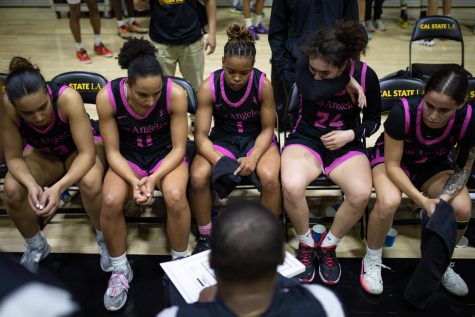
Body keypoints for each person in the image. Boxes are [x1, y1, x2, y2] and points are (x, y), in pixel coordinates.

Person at [281, 20, 381, 284]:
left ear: (344, 62)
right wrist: (345, 80)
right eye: (313, 69)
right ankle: (305, 243)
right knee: (291, 186)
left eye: (325, 73)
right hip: (307, 137)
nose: (315, 75)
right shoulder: (306, 64)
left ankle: (328, 246)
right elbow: (312, 92)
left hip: (346, 142)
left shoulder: (367, 76)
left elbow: (373, 121)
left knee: (360, 194)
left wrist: (351, 134)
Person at [96, 38, 191, 311]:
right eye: (142, 95)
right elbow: (112, 152)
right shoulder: (107, 97)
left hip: (165, 156)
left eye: (156, 93)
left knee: (174, 195)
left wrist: (154, 177)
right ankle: (119, 269)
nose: (151, 101)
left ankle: (178, 262)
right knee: (112, 200)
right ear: (128, 84)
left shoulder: (175, 94)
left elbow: (179, 147)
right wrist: (135, 180)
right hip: (128, 158)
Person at [362, 69, 473, 296]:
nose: (433, 115)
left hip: (433, 164)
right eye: (430, 105)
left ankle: (440, 263)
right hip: (394, 161)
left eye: (444, 110)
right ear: (424, 95)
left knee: (462, 208)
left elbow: (463, 169)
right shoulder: (403, 110)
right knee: (389, 201)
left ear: (460, 105)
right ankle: (371, 258)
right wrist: (422, 201)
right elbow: (393, 165)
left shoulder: (469, 119)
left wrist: (442, 200)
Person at [1, 57, 111, 274]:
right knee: (13, 190)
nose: (39, 116)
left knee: (89, 182)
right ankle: (36, 246)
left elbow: (87, 154)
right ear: (15, 107)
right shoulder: (7, 104)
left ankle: (104, 238)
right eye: (28, 113)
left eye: (43, 107)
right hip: (44, 153)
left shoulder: (67, 98)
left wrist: (58, 188)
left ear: (47, 93)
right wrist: (32, 185)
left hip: (77, 151)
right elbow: (13, 158)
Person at [157, 202, 345, 317]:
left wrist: (203, 308)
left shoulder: (174, 314)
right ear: (282, 258)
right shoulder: (323, 302)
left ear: (211, 261)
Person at [189, 24, 280, 255]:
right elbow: (199, 135)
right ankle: (205, 233)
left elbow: (269, 128)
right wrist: (220, 160)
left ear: (252, 67)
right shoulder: (209, 86)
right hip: (223, 139)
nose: (237, 77)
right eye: (231, 71)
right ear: (222, 63)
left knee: (270, 177)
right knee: (198, 176)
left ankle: (266, 235)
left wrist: (254, 156)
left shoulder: (264, 86)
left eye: (244, 72)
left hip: (255, 138)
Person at [268, 0, 358, 118]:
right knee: (294, 125)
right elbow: (276, 32)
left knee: (333, 127)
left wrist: (345, 74)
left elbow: (353, 33)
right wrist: (284, 71)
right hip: (293, 68)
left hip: (335, 72)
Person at [133, 0, 216, 92]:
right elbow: (138, 7)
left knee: (195, 89)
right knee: (161, 89)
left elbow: (209, 1)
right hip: (160, 42)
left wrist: (212, 33)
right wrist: (140, 2)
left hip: (192, 40)